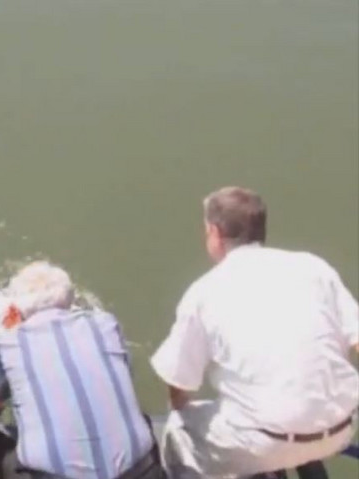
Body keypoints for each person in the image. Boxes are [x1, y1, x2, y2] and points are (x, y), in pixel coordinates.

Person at [150, 187, 359, 478]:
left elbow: (179, 381)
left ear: (214, 232)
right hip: (340, 427)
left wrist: (181, 413)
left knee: (177, 430)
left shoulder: (206, 291)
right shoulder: (313, 267)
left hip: (263, 442)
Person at [0, 261, 165, 479]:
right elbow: (124, 372)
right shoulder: (106, 325)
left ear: (16, 309)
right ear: (70, 298)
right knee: (142, 421)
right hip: (142, 474)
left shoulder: (7, 345)